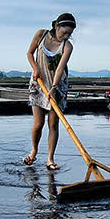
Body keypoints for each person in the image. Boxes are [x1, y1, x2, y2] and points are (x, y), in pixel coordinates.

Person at [23, 13, 76, 170]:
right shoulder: (41, 34)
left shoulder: (67, 46)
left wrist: (53, 88)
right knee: (38, 124)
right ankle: (34, 152)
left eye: (70, 34)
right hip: (38, 84)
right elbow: (29, 53)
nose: (66, 36)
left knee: (53, 124)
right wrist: (35, 68)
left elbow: (60, 69)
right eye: (64, 32)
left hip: (57, 86)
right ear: (56, 26)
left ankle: (50, 159)